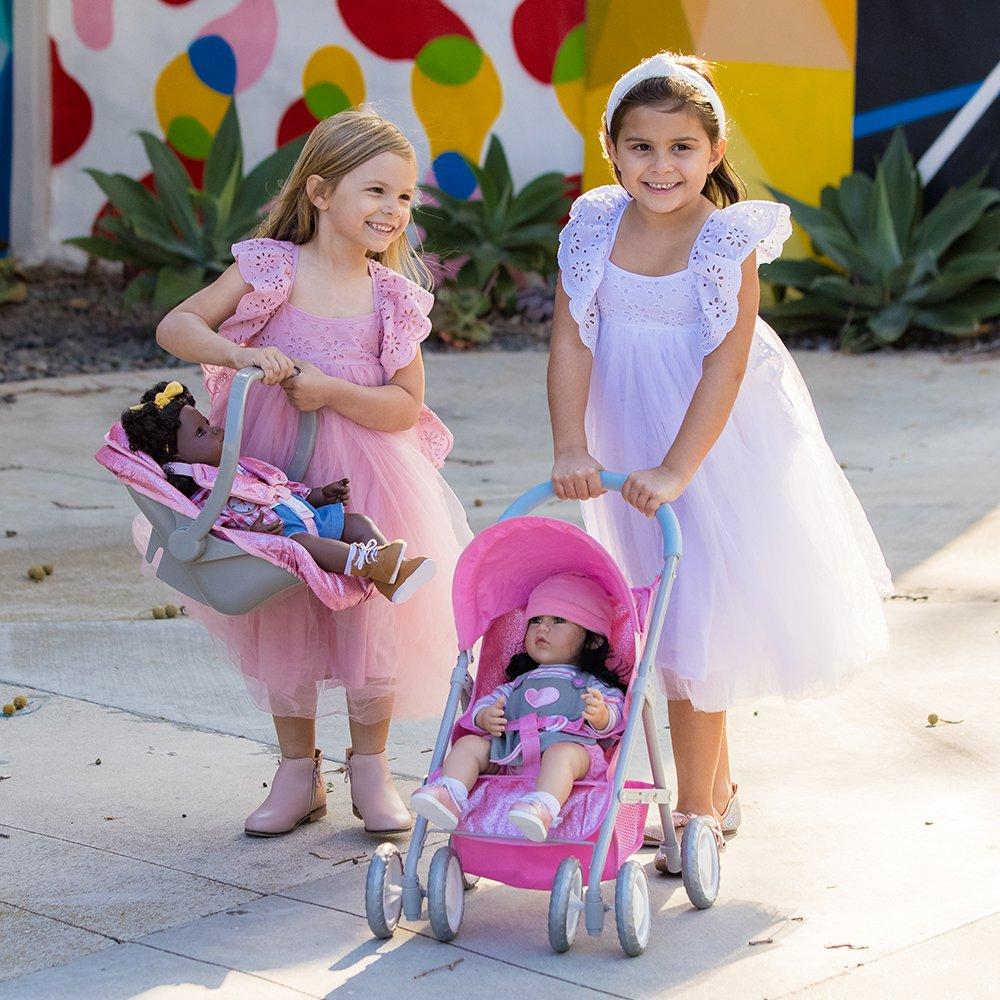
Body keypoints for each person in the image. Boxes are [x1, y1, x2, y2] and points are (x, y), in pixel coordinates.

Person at [547, 52, 892, 860]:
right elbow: (570, 337)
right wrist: (571, 440)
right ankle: (719, 793)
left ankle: (694, 816)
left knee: (691, 625)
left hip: (712, 441)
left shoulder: (725, 238)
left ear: (713, 152)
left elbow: (726, 364)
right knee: (660, 616)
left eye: (681, 148)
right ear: (613, 150)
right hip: (626, 436)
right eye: (640, 147)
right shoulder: (596, 224)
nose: (660, 166)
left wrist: (678, 468)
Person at [155, 108, 472, 838]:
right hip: (274, 469)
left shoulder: (391, 296)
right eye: (376, 191)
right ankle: (297, 770)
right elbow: (179, 325)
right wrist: (240, 355)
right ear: (322, 193)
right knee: (282, 601)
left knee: (367, 607)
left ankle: (371, 767)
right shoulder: (272, 269)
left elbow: (404, 406)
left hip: (368, 478)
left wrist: (332, 392)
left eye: (404, 198)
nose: (393, 211)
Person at [120, 379, 435, 603]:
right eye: (202, 432)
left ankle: (392, 574)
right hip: (281, 534)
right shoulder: (204, 491)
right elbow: (220, 526)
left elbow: (279, 489)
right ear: (176, 458)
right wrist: (254, 532)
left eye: (208, 423)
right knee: (308, 546)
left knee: (357, 524)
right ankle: (374, 564)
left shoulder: (238, 466)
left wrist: (318, 495)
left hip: (302, 514)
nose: (216, 429)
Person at [411, 573, 626, 842]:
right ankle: (449, 792)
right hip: (512, 753)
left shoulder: (590, 684)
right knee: (469, 746)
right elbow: (487, 702)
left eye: (558, 620)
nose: (542, 629)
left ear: (592, 639)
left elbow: (619, 713)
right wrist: (485, 716)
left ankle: (544, 806)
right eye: (535, 620)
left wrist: (603, 715)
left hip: (572, 752)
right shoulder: (518, 684)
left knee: (562, 754)